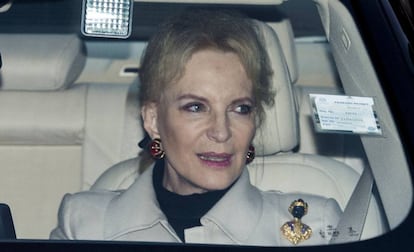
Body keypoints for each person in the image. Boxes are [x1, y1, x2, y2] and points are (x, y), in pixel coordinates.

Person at [50, 10, 342, 246]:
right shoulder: (84, 223)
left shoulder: (317, 229)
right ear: (153, 120)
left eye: (240, 108)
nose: (221, 131)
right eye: (196, 107)